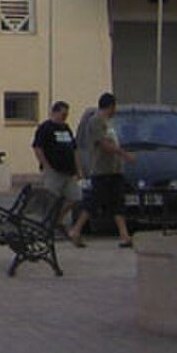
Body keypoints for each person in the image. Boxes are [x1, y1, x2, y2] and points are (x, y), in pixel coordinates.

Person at [68, 93, 137, 249]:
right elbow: (104, 144)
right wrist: (124, 154)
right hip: (102, 169)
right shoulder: (96, 121)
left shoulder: (108, 122)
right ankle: (76, 229)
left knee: (118, 202)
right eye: (114, 107)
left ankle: (124, 235)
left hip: (114, 169)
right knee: (94, 202)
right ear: (110, 106)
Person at [31, 101, 79, 226]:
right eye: (63, 114)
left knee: (75, 197)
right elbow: (37, 148)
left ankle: (58, 219)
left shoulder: (66, 128)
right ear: (55, 112)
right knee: (52, 199)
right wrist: (46, 166)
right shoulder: (46, 128)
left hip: (68, 171)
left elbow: (74, 149)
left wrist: (78, 169)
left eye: (66, 115)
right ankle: (48, 223)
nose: (65, 117)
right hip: (53, 171)